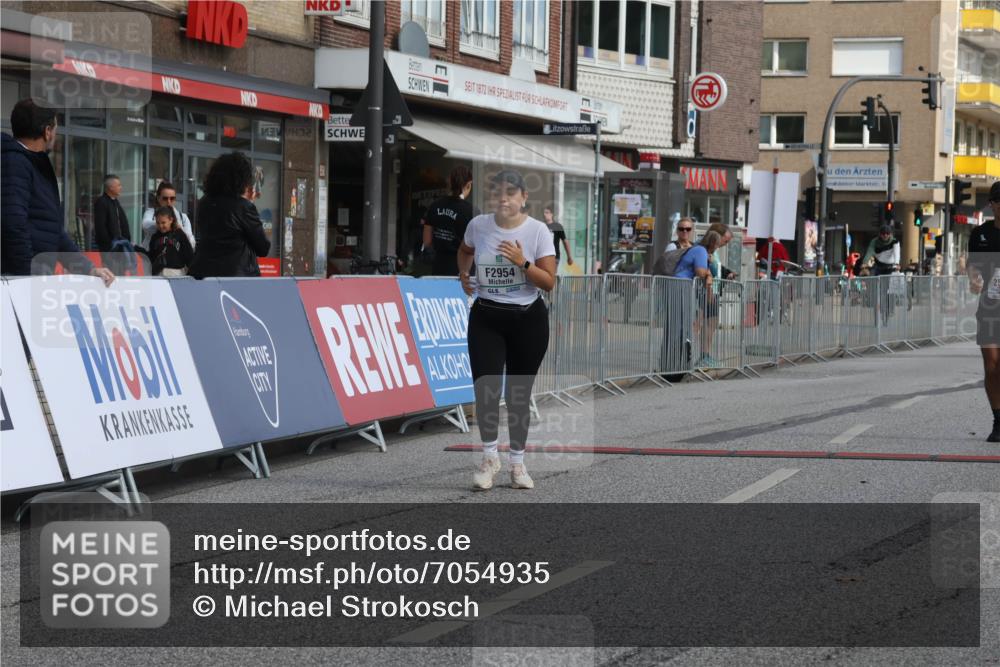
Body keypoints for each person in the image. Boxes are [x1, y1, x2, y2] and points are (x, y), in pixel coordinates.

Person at [458, 170, 556, 491]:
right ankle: (489, 459)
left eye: (511, 193)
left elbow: (549, 282)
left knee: (518, 395)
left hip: (528, 319)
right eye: (498, 192)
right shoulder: (479, 225)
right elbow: (465, 250)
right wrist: (462, 273)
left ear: (524, 198)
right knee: (485, 390)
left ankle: (517, 464)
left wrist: (522, 262)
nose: (504, 198)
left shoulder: (538, 230)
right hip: (487, 316)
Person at [0, 99, 114, 285]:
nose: (56, 135)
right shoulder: (15, 163)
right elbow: (13, 224)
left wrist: (89, 268)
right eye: (55, 129)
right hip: (20, 284)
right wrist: (26, 279)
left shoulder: (34, 165)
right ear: (47, 131)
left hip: (33, 279)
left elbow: (52, 231)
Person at [188, 152, 270, 278]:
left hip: (203, 273)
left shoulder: (204, 202)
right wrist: (249, 203)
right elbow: (263, 248)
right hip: (236, 278)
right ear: (241, 180)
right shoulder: (243, 206)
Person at [967, 180, 1000, 442]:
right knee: (991, 365)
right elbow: (973, 266)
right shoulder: (980, 234)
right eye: (998, 201)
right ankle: (998, 421)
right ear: (991, 204)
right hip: (990, 307)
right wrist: (974, 278)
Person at [674, 230, 724, 368]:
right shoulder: (700, 250)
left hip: (682, 287)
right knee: (685, 326)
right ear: (713, 243)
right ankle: (680, 361)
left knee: (685, 326)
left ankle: (681, 361)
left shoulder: (700, 250)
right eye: (718, 244)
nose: (718, 247)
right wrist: (708, 273)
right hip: (681, 287)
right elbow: (700, 272)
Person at [421, 165, 474, 276]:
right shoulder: (471, 211)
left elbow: (427, 241)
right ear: (468, 185)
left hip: (439, 263)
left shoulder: (435, 206)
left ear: (449, 182)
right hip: (464, 266)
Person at [141, 181, 194, 250]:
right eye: (165, 198)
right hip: (153, 257)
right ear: (158, 198)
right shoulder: (151, 213)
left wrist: (179, 230)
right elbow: (146, 226)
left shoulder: (183, 217)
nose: (169, 202)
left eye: (172, 198)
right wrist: (167, 224)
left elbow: (191, 242)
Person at [147, 206, 194, 277]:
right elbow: (151, 256)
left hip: (176, 274)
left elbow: (189, 254)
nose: (160, 225)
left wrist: (192, 273)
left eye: (163, 222)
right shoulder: (155, 237)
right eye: (158, 223)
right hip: (158, 273)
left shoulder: (179, 234)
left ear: (171, 220)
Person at [93, 174, 132, 252]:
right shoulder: (102, 202)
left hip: (121, 245)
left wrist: (126, 240)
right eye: (118, 185)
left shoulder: (115, 202)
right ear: (111, 187)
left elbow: (122, 222)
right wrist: (109, 244)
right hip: (110, 248)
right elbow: (100, 227)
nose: (121, 188)